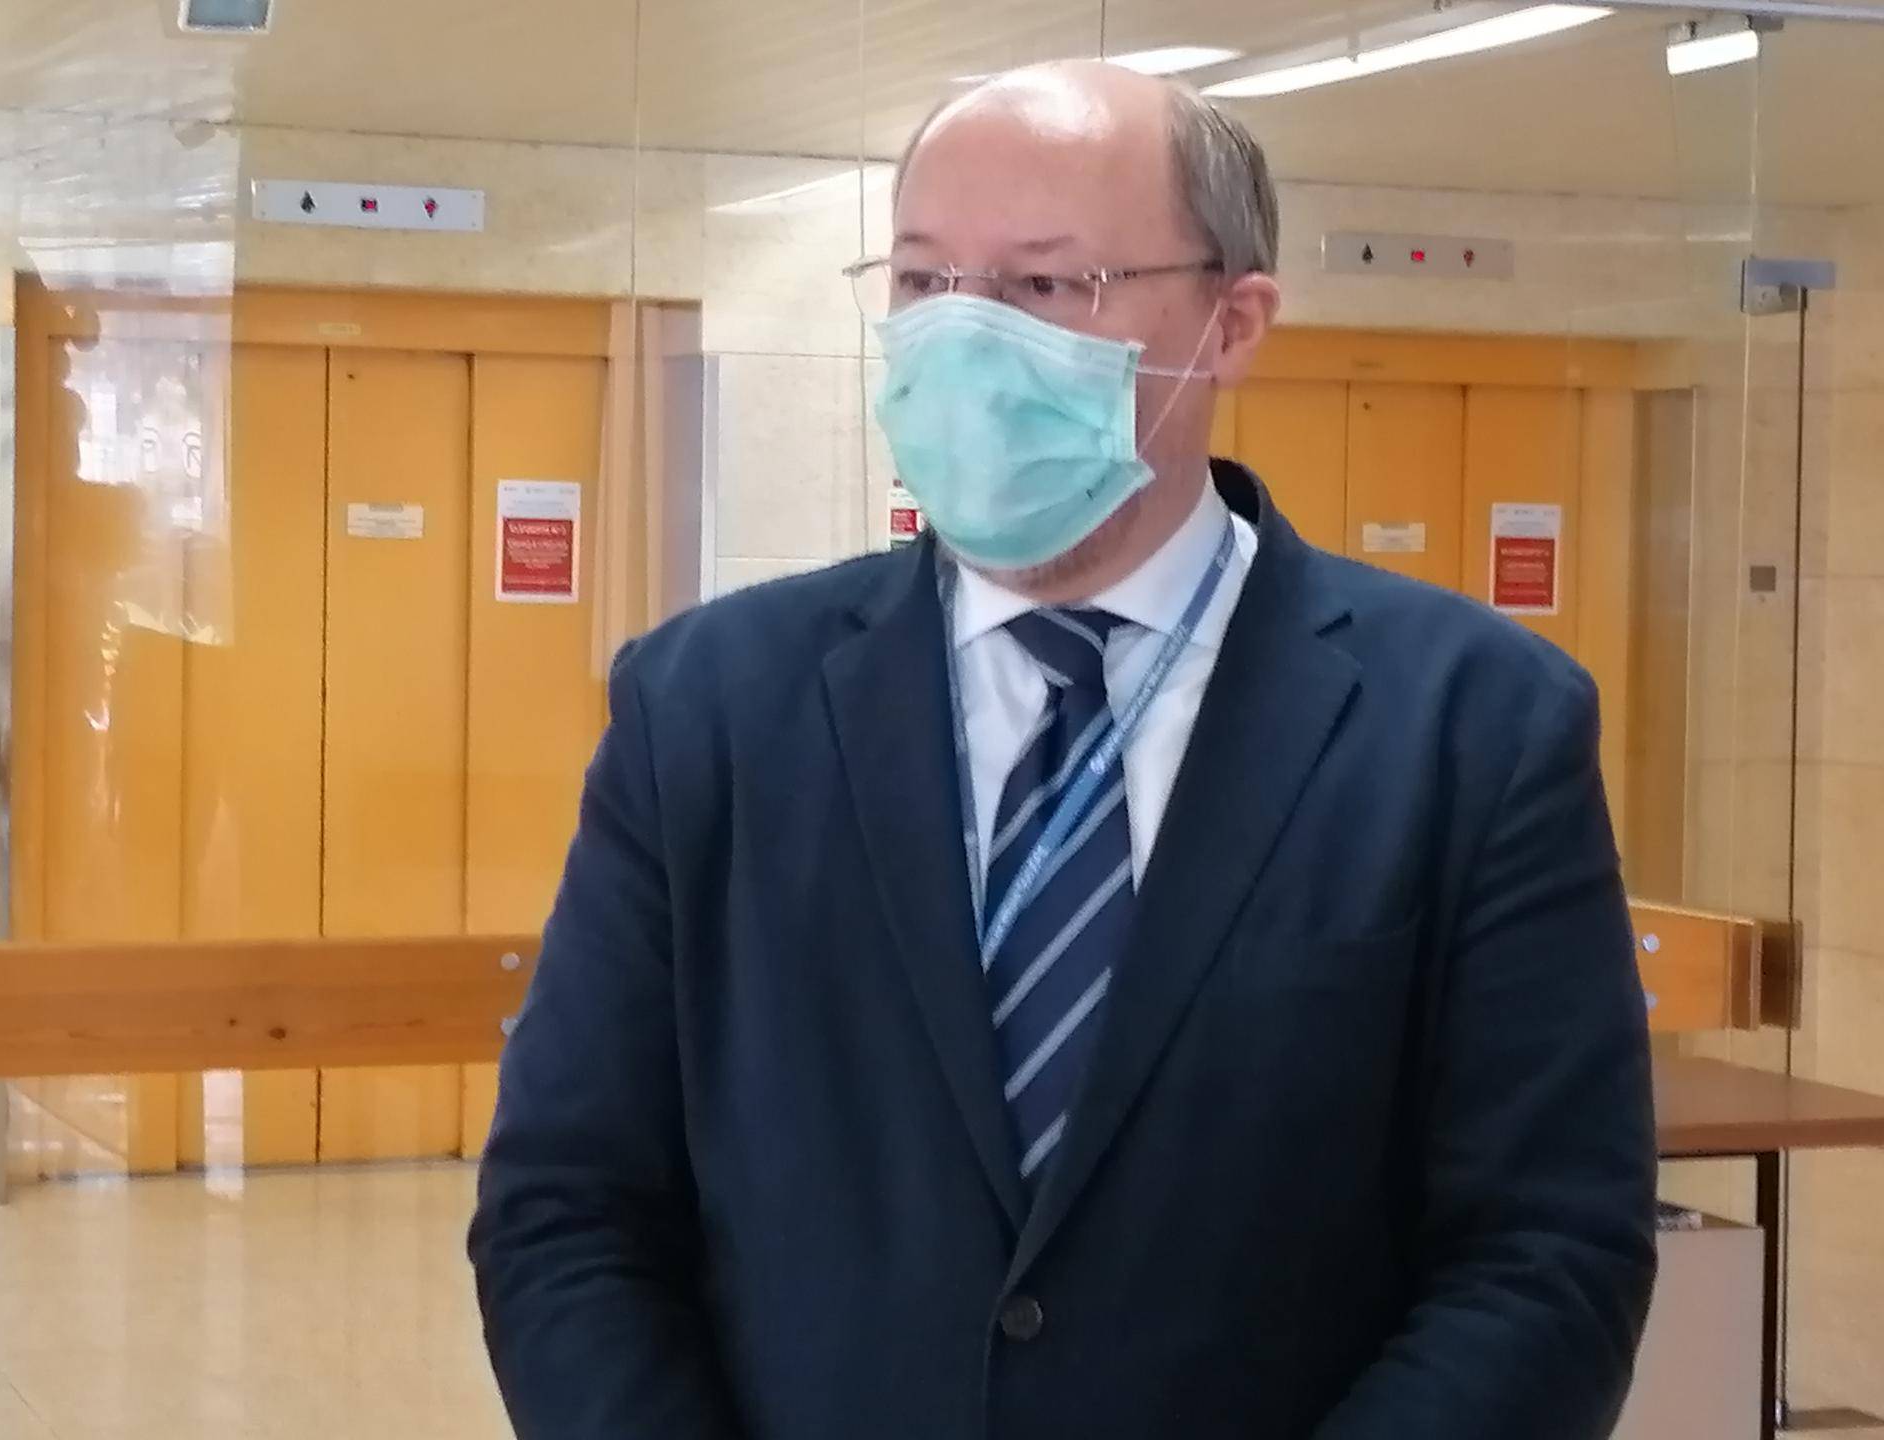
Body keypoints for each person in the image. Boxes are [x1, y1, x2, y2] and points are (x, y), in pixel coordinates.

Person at [468, 59, 1657, 1440]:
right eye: (924, 281)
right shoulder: (709, 709)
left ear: (1231, 322)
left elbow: (1547, 1253)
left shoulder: (1473, 725)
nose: (964, 337)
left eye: (1046, 284)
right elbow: (567, 1211)